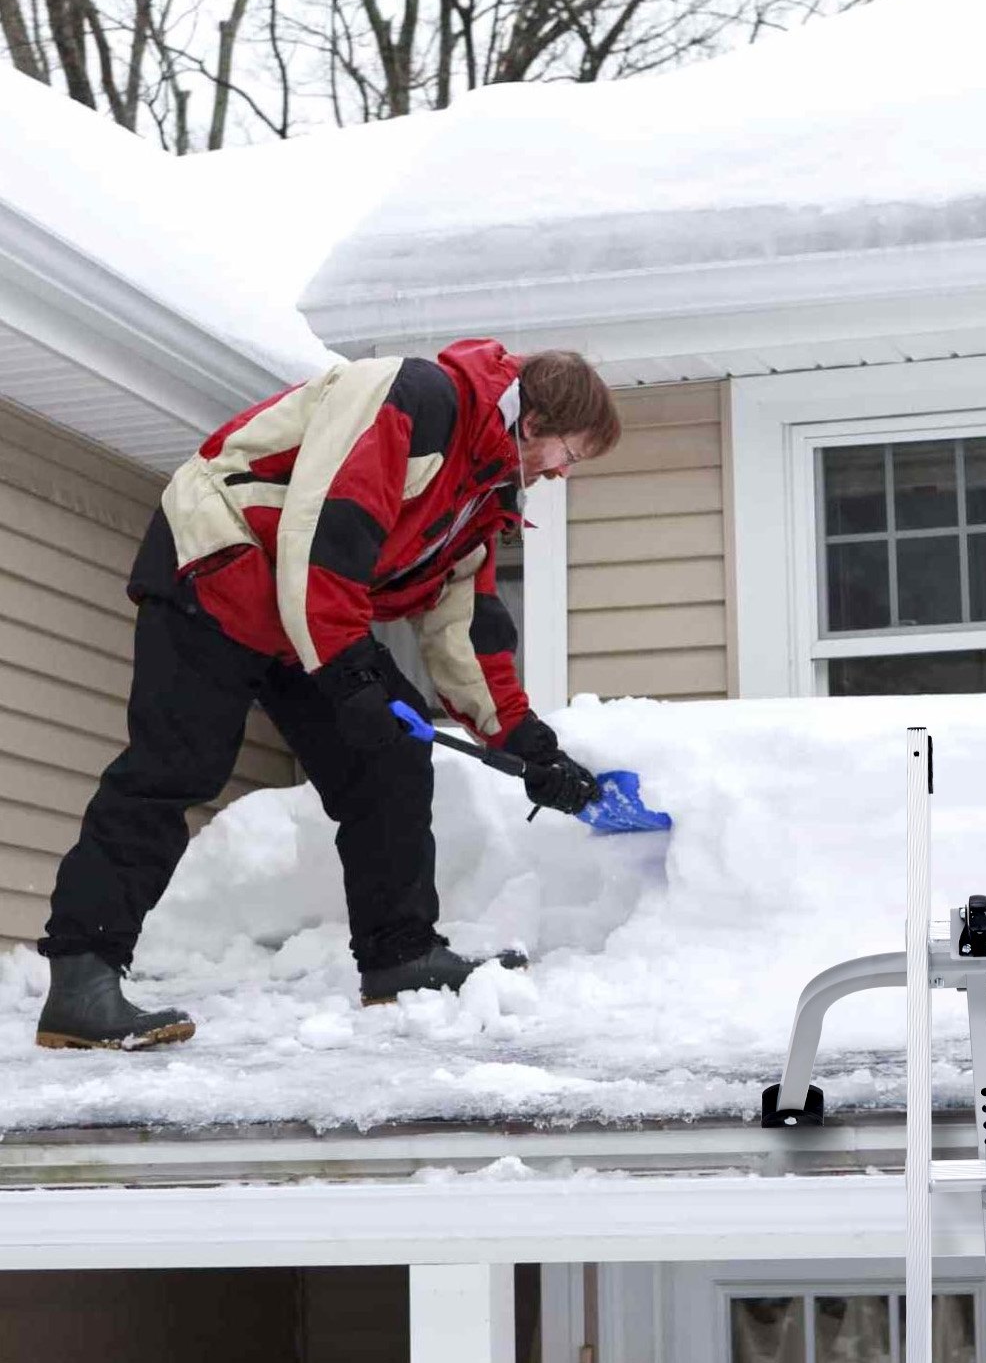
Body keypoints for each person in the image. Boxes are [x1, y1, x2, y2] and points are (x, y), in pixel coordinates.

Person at [34, 339, 620, 1050]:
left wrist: (529, 747)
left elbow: (465, 632)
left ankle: (400, 955)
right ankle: (81, 979)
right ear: (534, 423)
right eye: (571, 454)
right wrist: (349, 675)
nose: (563, 474)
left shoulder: (483, 491)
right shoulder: (417, 398)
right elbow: (326, 530)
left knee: (393, 759)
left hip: (300, 612)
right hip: (221, 563)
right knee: (176, 768)